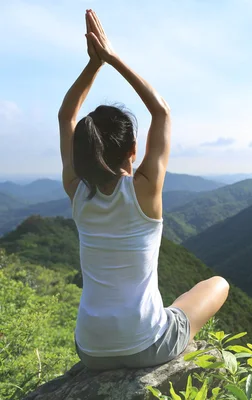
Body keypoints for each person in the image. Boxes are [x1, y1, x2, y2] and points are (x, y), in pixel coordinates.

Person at [58, 9, 229, 370]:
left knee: (174, 304)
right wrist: (112, 57)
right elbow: (162, 112)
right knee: (217, 283)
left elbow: (66, 117)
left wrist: (93, 66)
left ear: (82, 153)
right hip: (146, 345)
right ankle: (181, 347)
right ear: (134, 151)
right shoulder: (144, 191)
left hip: (90, 350)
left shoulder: (76, 191)